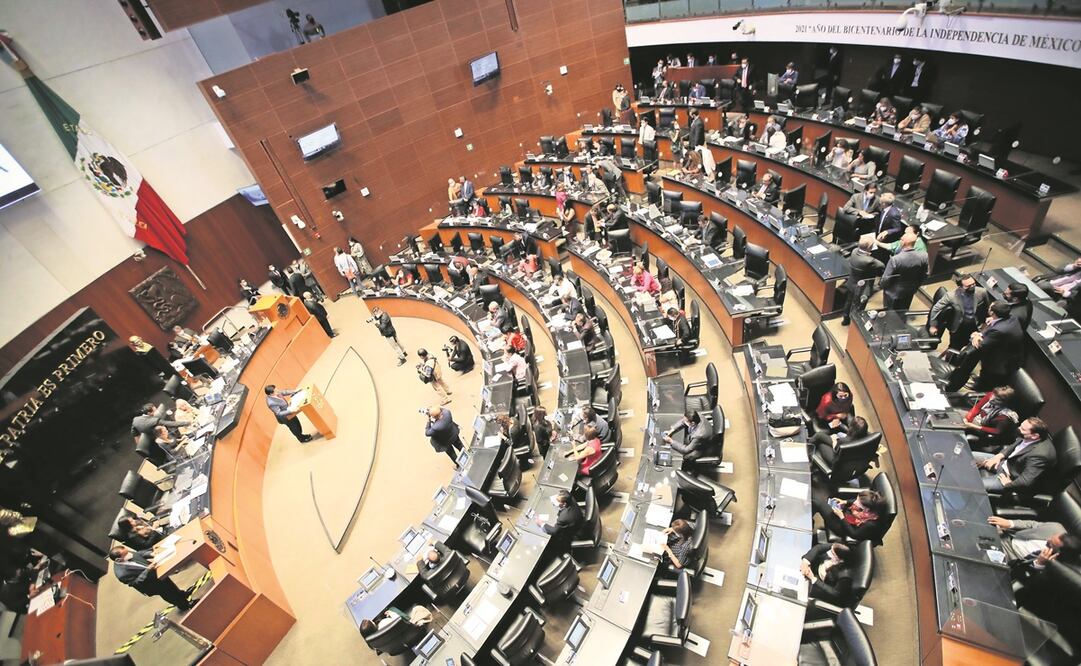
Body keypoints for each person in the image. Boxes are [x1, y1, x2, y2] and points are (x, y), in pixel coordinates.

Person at [974, 417, 1054, 492]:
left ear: (1035, 436)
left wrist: (1008, 484)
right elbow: (1013, 446)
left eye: (1022, 429)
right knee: (969, 456)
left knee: (974, 485)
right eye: (1021, 426)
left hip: (1009, 476)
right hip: (1005, 462)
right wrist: (998, 457)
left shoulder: (1040, 455)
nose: (1019, 428)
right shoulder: (1028, 436)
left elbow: (1025, 481)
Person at [109, 545, 192, 610]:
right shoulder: (122, 574)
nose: (129, 554)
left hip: (156, 574)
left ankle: (182, 595)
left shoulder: (125, 552)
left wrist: (151, 554)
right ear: (118, 560)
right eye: (126, 554)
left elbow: (138, 554)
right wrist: (148, 570)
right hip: (151, 584)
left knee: (170, 586)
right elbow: (135, 582)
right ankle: (184, 605)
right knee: (168, 594)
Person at [987, 516, 1081, 569]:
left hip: (1012, 559)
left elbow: (1020, 574)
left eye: (1050, 544)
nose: (1047, 540)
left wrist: (1039, 563)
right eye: (1051, 538)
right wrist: (1010, 523)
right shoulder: (1056, 527)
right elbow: (1032, 524)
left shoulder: (1054, 562)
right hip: (1010, 537)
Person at [928, 274, 991, 350]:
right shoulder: (951, 296)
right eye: (969, 286)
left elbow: (988, 308)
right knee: (954, 348)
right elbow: (936, 308)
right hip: (958, 327)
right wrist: (933, 325)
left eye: (973, 284)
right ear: (960, 287)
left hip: (976, 326)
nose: (973, 287)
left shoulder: (982, 292)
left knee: (972, 347)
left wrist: (988, 321)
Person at [971, 301, 1024, 389]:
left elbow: (981, 345)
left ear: (992, 312)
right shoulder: (1012, 317)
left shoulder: (999, 330)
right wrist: (993, 320)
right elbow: (995, 326)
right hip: (1009, 352)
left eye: (989, 308)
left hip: (1000, 361)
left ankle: (980, 388)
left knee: (988, 379)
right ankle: (981, 381)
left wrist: (975, 335)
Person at [813, 489, 888, 542]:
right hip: (849, 518)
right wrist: (845, 502)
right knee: (820, 502)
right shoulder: (872, 506)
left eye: (857, 503)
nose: (854, 502)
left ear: (866, 510)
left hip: (844, 529)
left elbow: (854, 534)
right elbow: (857, 502)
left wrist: (841, 517)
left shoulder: (870, 524)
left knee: (819, 503)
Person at [964, 386, 1020, 452]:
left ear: (1005, 403)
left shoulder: (1005, 416)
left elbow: (997, 431)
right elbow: (977, 408)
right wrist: (967, 419)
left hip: (991, 433)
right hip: (980, 420)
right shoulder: (992, 395)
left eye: (997, 399)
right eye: (993, 395)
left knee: (965, 428)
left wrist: (973, 426)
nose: (991, 399)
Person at [881, 232, 928, 311]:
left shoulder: (896, 259)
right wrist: (916, 285)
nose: (900, 240)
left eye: (901, 239)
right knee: (904, 311)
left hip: (893, 292)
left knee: (890, 313)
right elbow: (925, 274)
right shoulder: (924, 256)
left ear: (904, 242)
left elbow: (885, 279)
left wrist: (883, 286)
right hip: (910, 290)